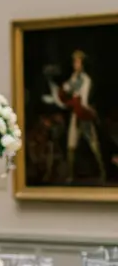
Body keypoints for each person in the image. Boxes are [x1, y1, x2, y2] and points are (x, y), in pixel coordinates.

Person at [43, 49, 106, 183]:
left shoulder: (86, 79)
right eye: (74, 61)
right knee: (71, 145)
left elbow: (84, 100)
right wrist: (60, 91)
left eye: (77, 62)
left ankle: (103, 172)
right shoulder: (74, 77)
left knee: (94, 144)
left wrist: (86, 109)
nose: (75, 64)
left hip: (83, 114)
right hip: (76, 114)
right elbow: (66, 89)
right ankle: (70, 176)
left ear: (82, 64)